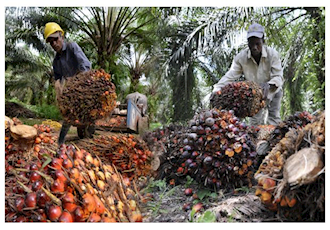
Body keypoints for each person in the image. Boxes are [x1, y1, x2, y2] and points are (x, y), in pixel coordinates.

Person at [211, 23, 284, 126]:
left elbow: (278, 76)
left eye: (257, 43)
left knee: (274, 119)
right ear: (248, 43)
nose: (254, 47)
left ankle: (273, 140)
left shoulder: (272, 55)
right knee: (254, 123)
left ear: (263, 41)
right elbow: (230, 75)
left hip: (273, 91)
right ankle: (257, 141)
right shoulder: (241, 58)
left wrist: (269, 85)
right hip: (254, 96)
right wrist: (217, 89)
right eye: (251, 44)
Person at [44, 22, 94, 145]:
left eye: (56, 39)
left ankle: (87, 139)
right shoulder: (56, 61)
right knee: (68, 115)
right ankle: (61, 143)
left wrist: (78, 82)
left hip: (84, 86)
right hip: (71, 91)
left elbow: (85, 66)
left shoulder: (72, 47)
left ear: (62, 36)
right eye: (51, 42)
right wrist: (59, 92)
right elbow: (58, 79)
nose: (54, 44)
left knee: (88, 117)